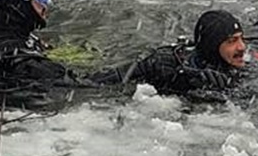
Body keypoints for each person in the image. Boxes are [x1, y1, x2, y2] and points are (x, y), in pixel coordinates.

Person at [100, 9, 248, 101]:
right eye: (231, 41)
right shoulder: (164, 64)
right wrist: (180, 83)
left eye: (242, 38)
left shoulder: (242, 70)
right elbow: (99, 83)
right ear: (212, 46)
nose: (242, 47)